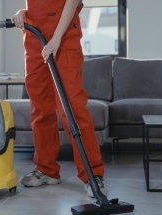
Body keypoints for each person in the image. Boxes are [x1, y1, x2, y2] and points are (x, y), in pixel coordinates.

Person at [11, 0, 106, 198]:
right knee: (40, 108)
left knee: (72, 107)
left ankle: (92, 174)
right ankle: (46, 169)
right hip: (34, 37)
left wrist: (56, 38)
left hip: (64, 38)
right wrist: (22, 13)